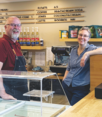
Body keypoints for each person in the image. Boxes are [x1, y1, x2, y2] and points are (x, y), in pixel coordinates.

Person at [62, 27, 102, 106]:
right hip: (67, 85)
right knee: (70, 109)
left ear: (89, 38)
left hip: (81, 87)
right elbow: (69, 67)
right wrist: (64, 79)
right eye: (80, 35)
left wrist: (87, 53)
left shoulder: (91, 48)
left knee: (74, 109)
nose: (82, 37)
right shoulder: (73, 50)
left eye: (85, 35)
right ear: (77, 36)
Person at [0, 16, 29, 100]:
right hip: (9, 93)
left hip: (21, 90)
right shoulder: (2, 43)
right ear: (5, 27)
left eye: (18, 25)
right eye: (13, 25)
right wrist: (3, 93)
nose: (16, 28)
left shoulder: (16, 44)